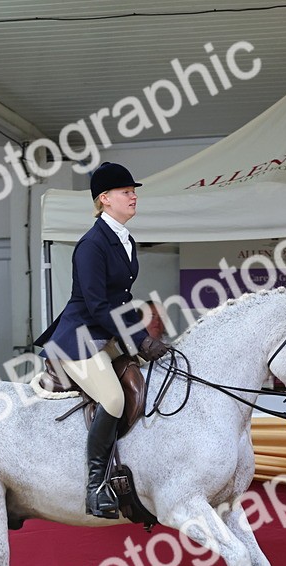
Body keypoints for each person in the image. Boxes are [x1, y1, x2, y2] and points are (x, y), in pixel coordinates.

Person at [34, 162, 170, 519]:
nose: (133, 196)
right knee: (111, 398)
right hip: (80, 337)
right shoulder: (91, 244)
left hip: (105, 334)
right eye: (126, 192)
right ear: (105, 199)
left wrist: (142, 339)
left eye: (133, 191)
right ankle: (95, 486)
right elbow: (97, 305)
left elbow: (122, 300)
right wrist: (139, 339)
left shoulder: (125, 240)